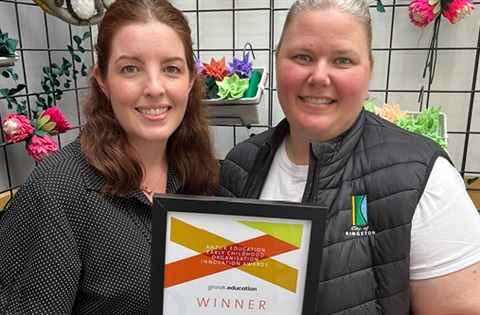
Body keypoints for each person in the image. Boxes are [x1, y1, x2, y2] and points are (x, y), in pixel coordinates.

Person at [217, 0, 480, 314]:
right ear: (277, 60)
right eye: (302, 56)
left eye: (342, 60)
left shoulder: (423, 179)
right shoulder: (239, 164)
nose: (319, 76)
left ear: (369, 69)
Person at [0, 0, 219, 313]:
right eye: (130, 68)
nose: (155, 87)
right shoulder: (58, 192)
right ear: (102, 79)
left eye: (171, 68)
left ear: (190, 79)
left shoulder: (198, 174)